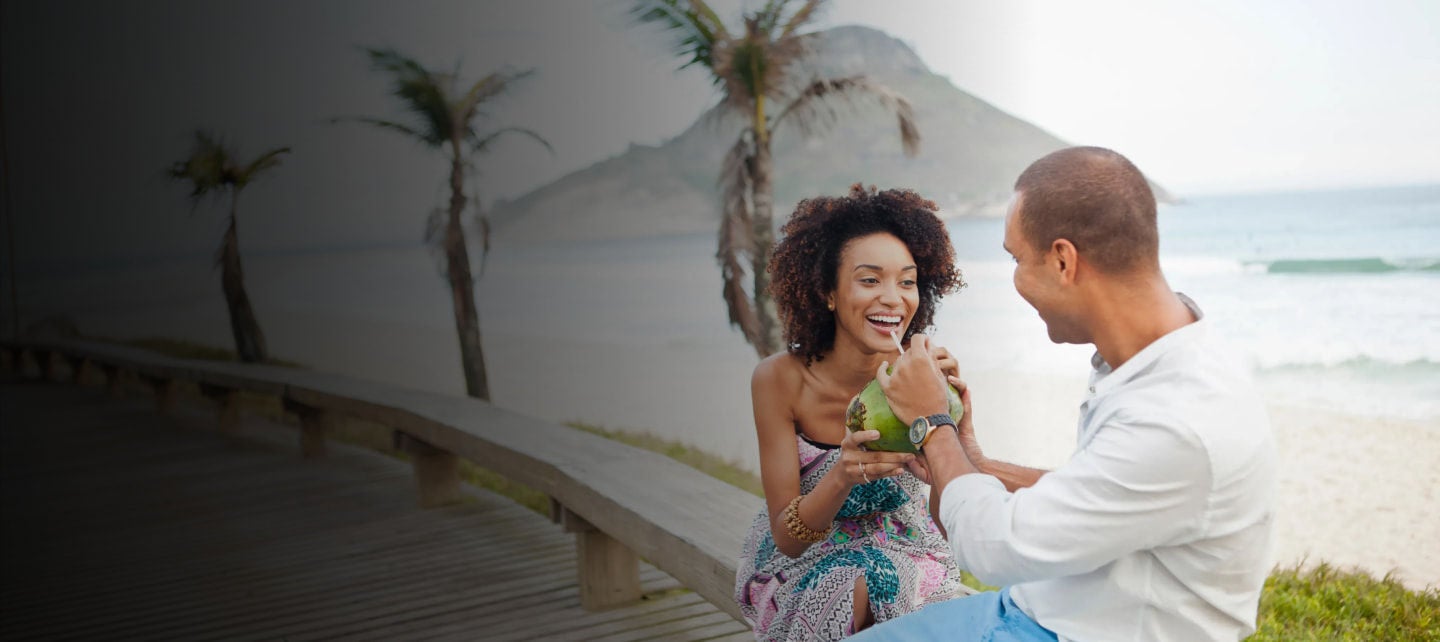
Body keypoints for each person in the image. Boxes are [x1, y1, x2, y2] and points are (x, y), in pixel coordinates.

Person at [850, 146, 1278, 641]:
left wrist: (931, 424)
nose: (1015, 278)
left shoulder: (1176, 418)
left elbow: (991, 551)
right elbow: (1101, 490)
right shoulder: (1160, 357)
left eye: (1016, 259)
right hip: (1039, 609)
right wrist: (975, 465)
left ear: (1061, 261)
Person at [734, 185, 971, 640]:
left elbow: (946, 521)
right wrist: (842, 473)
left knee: (895, 582)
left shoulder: (922, 375)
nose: (893, 298)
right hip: (802, 563)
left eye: (907, 281)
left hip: (910, 551)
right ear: (827, 293)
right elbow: (789, 535)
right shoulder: (781, 380)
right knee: (861, 583)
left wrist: (950, 430)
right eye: (869, 280)